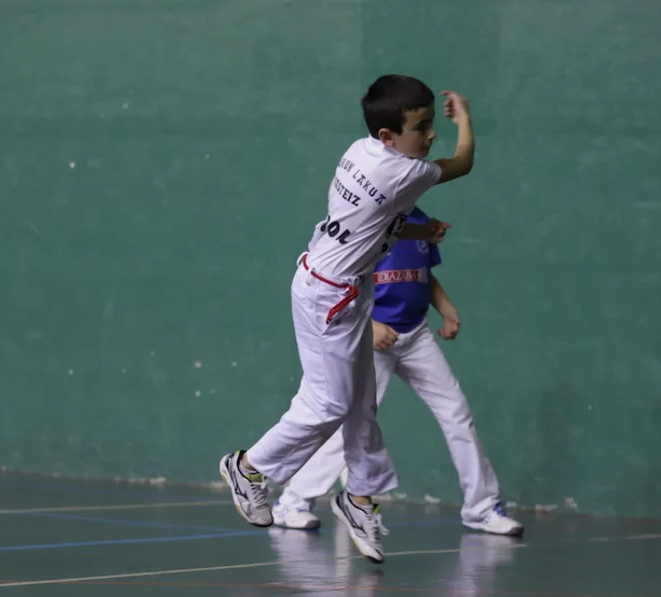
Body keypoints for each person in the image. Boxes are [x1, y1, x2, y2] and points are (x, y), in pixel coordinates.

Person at [219, 74, 475, 564]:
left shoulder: (361, 152)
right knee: (328, 403)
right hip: (328, 297)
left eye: (433, 124)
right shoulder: (407, 172)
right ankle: (249, 466)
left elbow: (377, 220)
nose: (431, 135)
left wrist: (420, 230)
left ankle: (360, 496)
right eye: (421, 127)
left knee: (361, 404)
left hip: (343, 288)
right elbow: (462, 163)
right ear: (388, 136)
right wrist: (464, 120)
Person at [270, 207, 524, 538]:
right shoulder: (362, 221)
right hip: (370, 339)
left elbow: (422, 275)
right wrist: (370, 326)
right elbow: (335, 283)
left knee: (456, 412)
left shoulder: (420, 222)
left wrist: (446, 309)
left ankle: (482, 507)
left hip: (415, 336)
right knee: (351, 425)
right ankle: (292, 502)